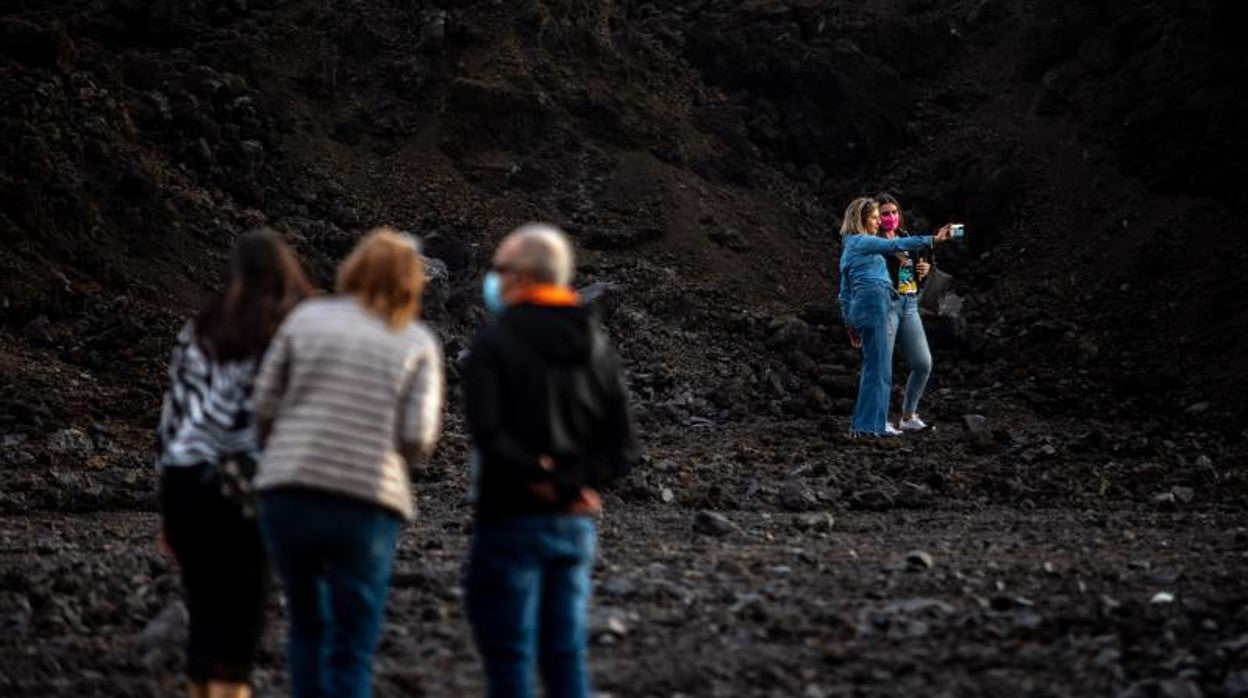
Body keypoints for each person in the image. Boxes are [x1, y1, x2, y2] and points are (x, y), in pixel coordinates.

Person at [251, 228, 444, 698]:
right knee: (352, 641)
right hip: (366, 501)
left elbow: (261, 404)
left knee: (307, 624)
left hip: (288, 490)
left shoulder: (307, 319)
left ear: (353, 268)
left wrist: (282, 449)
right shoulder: (417, 341)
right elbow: (418, 436)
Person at [462, 223, 640, 698]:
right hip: (573, 519)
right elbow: (621, 446)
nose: (493, 278)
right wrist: (571, 483)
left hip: (509, 516)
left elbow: (486, 431)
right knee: (564, 655)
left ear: (521, 276)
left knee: (509, 656)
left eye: (499, 268)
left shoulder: (494, 343)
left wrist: (536, 477)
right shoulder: (596, 346)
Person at [156, 227, 315, 698]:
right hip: (250, 481)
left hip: (186, 478)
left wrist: (166, 503)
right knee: (243, 610)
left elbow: (172, 418)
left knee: (203, 608)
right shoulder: (289, 333)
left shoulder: (200, 327)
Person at [837, 197, 952, 437]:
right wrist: (934, 239)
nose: (881, 221)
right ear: (862, 219)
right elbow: (890, 249)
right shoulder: (863, 241)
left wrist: (850, 321)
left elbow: (844, 291)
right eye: (876, 217)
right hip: (880, 304)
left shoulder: (853, 244)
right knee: (878, 369)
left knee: (883, 367)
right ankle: (871, 425)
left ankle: (872, 424)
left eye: (886, 215)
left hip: (887, 304)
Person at [876, 192, 935, 432]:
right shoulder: (874, 243)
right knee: (881, 365)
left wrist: (923, 270)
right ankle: (877, 419)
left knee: (923, 363)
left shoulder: (906, 237)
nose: (890, 217)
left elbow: (916, 275)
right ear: (876, 218)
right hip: (886, 305)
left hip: (909, 303)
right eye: (884, 214)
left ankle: (908, 416)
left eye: (893, 212)